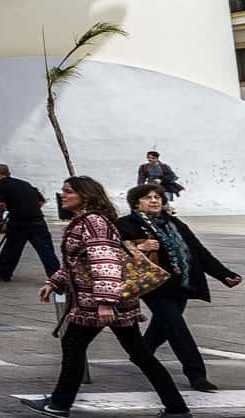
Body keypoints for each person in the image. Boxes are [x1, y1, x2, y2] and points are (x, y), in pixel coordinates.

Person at [20, 177, 190, 417]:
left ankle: (59, 404)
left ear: (85, 196)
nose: (63, 195)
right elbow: (79, 263)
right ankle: (176, 407)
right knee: (138, 353)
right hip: (104, 301)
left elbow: (105, 263)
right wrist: (54, 282)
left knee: (74, 347)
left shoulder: (93, 223)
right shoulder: (89, 221)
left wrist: (106, 303)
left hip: (98, 303)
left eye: (68, 192)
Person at [119, 183, 240, 393]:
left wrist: (224, 274)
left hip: (181, 284)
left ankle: (142, 352)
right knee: (177, 329)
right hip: (153, 285)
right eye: (148, 197)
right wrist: (139, 246)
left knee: (164, 324)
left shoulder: (174, 223)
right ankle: (197, 375)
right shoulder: (127, 224)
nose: (155, 200)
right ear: (136, 203)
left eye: (158, 197)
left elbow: (198, 251)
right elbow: (111, 249)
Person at [0, 164, 60, 281]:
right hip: (38, 220)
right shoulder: (25, 183)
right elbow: (41, 201)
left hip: (18, 221)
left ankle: (4, 272)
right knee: (45, 249)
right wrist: (30, 209)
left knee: (13, 248)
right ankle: (56, 276)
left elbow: (1, 204)